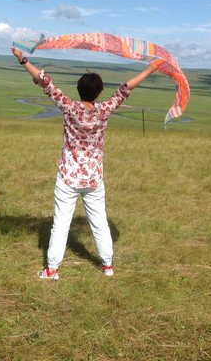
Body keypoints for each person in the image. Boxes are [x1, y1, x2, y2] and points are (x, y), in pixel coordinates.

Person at [12, 47, 159, 280]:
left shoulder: (69, 107)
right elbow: (127, 87)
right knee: (99, 221)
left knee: (61, 224)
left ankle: (52, 269)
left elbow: (44, 81)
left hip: (68, 177)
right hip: (93, 178)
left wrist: (22, 59)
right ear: (99, 92)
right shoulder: (105, 110)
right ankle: (107, 266)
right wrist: (151, 68)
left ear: (79, 90)